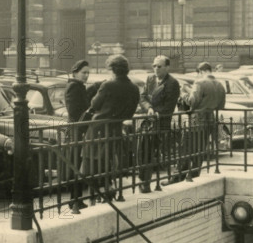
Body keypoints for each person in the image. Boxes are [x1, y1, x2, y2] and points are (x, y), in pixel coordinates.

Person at [82, 54, 140, 201]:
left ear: (113, 69)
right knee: (109, 161)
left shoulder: (108, 85)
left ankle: (96, 195)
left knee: (92, 162)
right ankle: (108, 188)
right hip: (116, 128)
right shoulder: (133, 87)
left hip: (99, 128)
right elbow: (130, 112)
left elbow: (95, 105)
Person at [175, 61, 226, 181]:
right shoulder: (219, 84)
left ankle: (179, 177)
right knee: (200, 149)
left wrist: (183, 94)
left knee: (185, 148)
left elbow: (192, 102)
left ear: (201, 72)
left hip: (196, 121)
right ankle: (194, 175)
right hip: (210, 120)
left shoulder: (200, 82)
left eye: (197, 73)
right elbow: (221, 106)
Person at [139, 55, 180, 193]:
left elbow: (169, 105)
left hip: (161, 123)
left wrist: (157, 112)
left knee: (154, 152)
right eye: (154, 66)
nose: (156, 69)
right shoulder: (150, 79)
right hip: (149, 121)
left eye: (159, 66)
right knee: (144, 151)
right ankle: (144, 181)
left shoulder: (172, 83)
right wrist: (149, 108)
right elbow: (143, 96)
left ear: (167, 67)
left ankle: (150, 182)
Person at [64, 59, 91, 210]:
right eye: (83, 73)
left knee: (78, 164)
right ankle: (74, 199)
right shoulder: (74, 87)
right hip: (76, 130)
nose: (86, 75)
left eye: (88, 73)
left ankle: (77, 198)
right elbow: (74, 112)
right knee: (75, 164)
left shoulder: (78, 86)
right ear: (75, 73)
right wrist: (89, 114)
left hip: (79, 130)